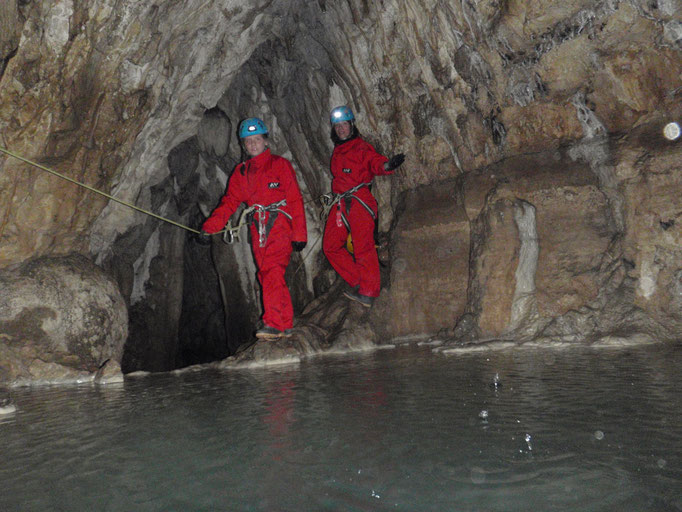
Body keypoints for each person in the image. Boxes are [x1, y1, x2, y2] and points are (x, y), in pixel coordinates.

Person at [201, 118, 307, 339]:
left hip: (280, 224)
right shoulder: (241, 173)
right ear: (243, 144)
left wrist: (299, 233)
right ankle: (286, 322)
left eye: (256, 139)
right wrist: (209, 228)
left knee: (272, 271)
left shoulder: (280, 165)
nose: (252, 144)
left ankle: (274, 323)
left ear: (265, 140)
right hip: (257, 228)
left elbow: (295, 199)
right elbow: (229, 202)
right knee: (267, 274)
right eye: (248, 141)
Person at [322, 105, 405, 307]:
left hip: (359, 200)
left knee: (363, 246)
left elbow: (374, 162)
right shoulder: (338, 151)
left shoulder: (361, 147)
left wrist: (387, 166)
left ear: (352, 126)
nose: (341, 129)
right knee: (330, 246)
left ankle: (369, 291)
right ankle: (360, 280)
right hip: (341, 202)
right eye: (337, 126)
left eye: (344, 125)